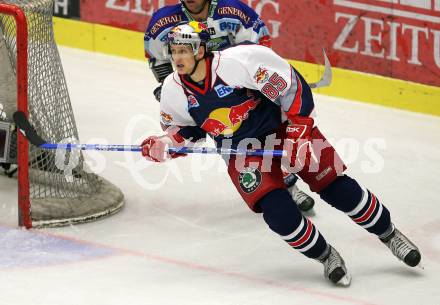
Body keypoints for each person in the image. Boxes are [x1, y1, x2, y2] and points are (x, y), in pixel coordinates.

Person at [140, 21, 422, 286]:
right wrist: (166, 144)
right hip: (241, 151)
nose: (176, 58)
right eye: (173, 51)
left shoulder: (240, 62)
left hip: (285, 128)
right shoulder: (173, 91)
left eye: (183, 50)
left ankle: (389, 234)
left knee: (336, 187)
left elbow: (294, 87)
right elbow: (189, 131)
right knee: (278, 214)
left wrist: (299, 132)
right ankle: (325, 255)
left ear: (201, 51)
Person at [144, 0, 315, 212]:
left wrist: (254, 80)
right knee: (233, 141)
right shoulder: (164, 22)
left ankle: (289, 185)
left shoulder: (233, 12)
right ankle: (277, 191)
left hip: (241, 87)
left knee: (269, 134)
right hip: (203, 94)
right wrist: (168, 86)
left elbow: (258, 51)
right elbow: (157, 58)